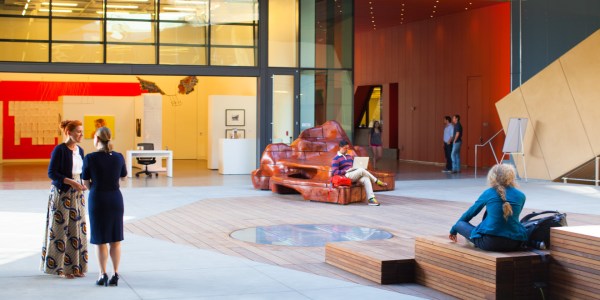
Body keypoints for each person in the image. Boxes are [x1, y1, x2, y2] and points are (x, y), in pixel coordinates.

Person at [42, 120, 88, 278]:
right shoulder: (59, 150)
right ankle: (60, 268)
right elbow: (52, 173)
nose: (81, 134)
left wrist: (82, 183)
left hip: (77, 194)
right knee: (61, 230)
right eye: (78, 132)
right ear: (69, 132)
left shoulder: (80, 150)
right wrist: (71, 182)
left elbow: (81, 172)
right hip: (62, 194)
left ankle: (76, 266)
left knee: (77, 230)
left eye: (81, 131)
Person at [82, 127, 127, 287]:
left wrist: (95, 187)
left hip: (98, 198)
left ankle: (102, 274)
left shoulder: (90, 158)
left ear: (96, 139)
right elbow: (123, 176)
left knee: (100, 240)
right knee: (115, 239)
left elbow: (85, 182)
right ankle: (115, 272)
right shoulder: (118, 157)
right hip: (115, 198)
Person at [448, 164, 528, 252]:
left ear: (492, 177)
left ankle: (474, 240)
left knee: (459, 224)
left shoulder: (489, 193)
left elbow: (470, 214)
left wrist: (453, 230)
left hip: (490, 243)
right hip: (514, 243)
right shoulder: (521, 196)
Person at [331, 140, 388, 206]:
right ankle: (377, 181)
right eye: (345, 148)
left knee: (366, 178)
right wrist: (346, 170)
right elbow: (334, 172)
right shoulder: (335, 159)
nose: (347, 150)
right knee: (361, 170)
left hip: (354, 174)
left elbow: (353, 166)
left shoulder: (349, 156)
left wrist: (355, 167)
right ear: (340, 147)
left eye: (347, 148)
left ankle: (371, 199)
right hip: (346, 175)